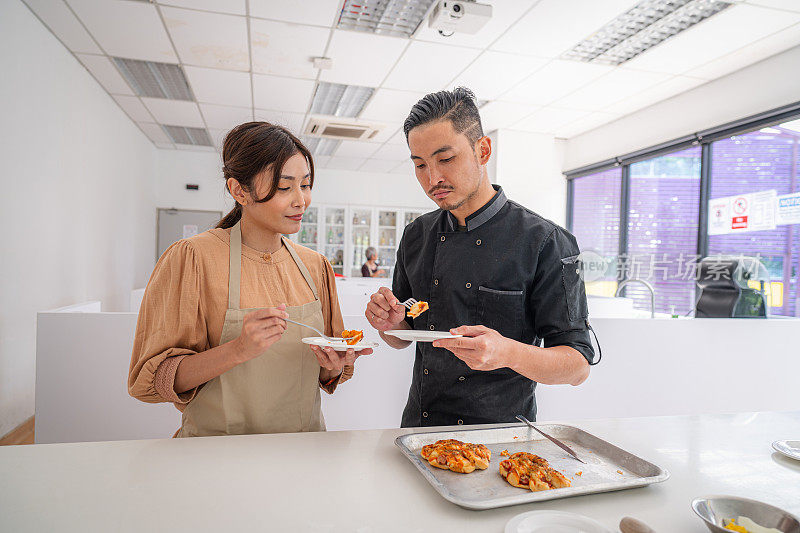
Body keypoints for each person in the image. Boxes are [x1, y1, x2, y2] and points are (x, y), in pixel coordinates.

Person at [364, 88, 596, 428]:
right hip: (418, 428)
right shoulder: (417, 235)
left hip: (500, 439)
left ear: (482, 150)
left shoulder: (544, 241)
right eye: (420, 165)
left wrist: (507, 352)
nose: (433, 179)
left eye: (445, 159)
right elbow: (403, 335)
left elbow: (577, 366)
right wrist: (389, 323)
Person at [128, 122, 372, 437]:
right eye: (285, 187)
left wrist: (334, 365)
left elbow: (326, 370)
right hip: (216, 457)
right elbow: (152, 381)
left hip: (303, 452)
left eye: (306, 184)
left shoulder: (316, 267)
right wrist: (238, 349)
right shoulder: (193, 257)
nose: (301, 200)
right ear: (239, 190)